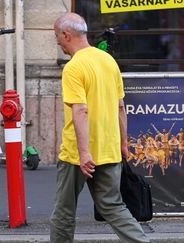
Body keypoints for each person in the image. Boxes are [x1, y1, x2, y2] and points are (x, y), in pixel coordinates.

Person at [50, 13, 150, 243]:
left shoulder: (74, 67)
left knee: (64, 211)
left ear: (66, 35)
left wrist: (84, 153)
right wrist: (123, 143)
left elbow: (80, 110)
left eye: (57, 36)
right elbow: (120, 107)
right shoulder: (108, 61)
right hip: (109, 148)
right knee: (113, 206)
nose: (57, 41)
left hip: (77, 154)